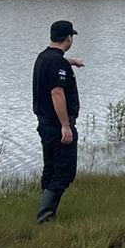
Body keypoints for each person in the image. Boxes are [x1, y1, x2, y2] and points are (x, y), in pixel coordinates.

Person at [32, 19, 83, 223]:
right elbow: (57, 92)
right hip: (57, 126)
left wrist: (72, 61)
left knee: (51, 168)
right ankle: (45, 217)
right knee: (65, 172)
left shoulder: (44, 57)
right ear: (68, 38)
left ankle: (46, 212)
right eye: (72, 36)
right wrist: (65, 126)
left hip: (44, 124)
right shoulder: (57, 63)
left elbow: (56, 62)